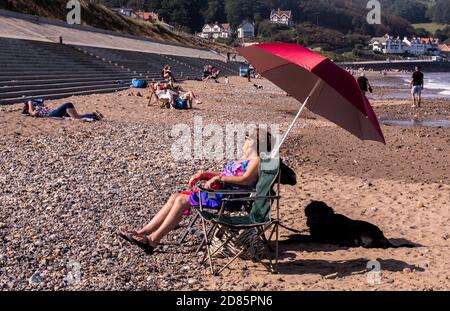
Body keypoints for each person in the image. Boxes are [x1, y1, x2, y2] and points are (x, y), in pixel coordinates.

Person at [118, 132, 271, 254]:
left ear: (253, 143)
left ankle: (152, 240)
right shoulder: (245, 158)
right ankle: (143, 232)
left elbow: (244, 180)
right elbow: (226, 173)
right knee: (175, 197)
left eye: (247, 138)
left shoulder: (256, 160)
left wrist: (219, 178)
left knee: (182, 201)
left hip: (230, 198)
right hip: (221, 193)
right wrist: (204, 174)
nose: (244, 142)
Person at [22, 100, 103, 121]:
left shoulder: (40, 108)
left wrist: (43, 107)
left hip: (55, 112)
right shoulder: (33, 112)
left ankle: (94, 116)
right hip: (52, 114)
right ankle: (76, 119)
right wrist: (29, 102)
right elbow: (32, 112)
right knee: (68, 104)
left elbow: (42, 104)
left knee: (78, 115)